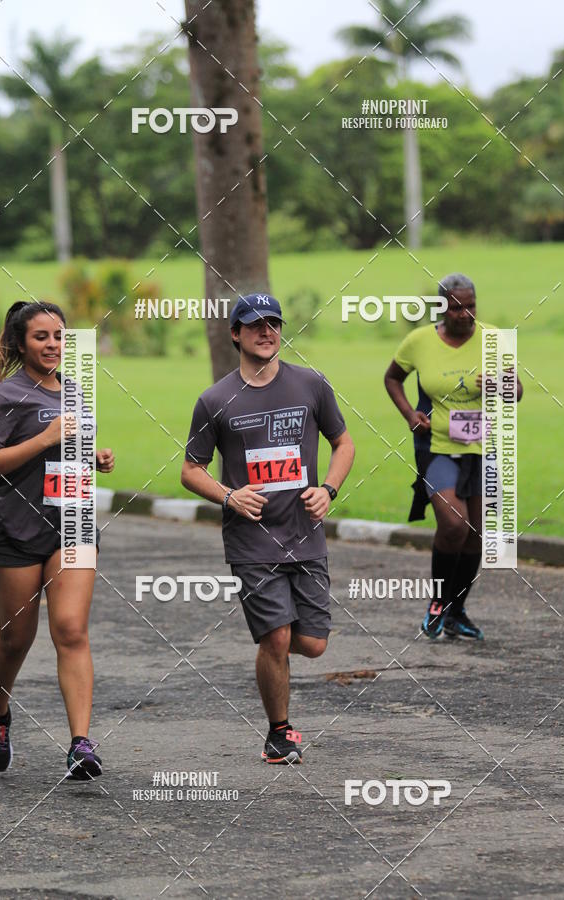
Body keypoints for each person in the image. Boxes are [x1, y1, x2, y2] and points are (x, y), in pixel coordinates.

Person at [181, 293, 354, 763]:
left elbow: (343, 443)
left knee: (313, 644)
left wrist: (329, 489)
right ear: (235, 334)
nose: (266, 331)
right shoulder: (215, 400)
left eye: (273, 323)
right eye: (255, 324)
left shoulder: (311, 384)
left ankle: (269, 646)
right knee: (276, 635)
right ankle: (279, 733)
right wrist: (229, 496)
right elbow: (191, 470)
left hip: (305, 535)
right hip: (252, 540)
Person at [0, 301, 115, 779]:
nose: (52, 344)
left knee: (71, 628)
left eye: (59, 336)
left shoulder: (76, 392)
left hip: (74, 523)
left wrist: (95, 458)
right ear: (21, 343)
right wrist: (44, 439)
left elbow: (71, 451)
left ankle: (81, 744)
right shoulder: (7, 395)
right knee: (16, 638)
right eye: (41, 336)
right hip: (16, 530)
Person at [384, 274, 523, 640]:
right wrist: (410, 414)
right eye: (457, 307)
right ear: (441, 308)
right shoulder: (419, 341)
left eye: (471, 306)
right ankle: (437, 604)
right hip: (437, 446)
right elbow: (392, 378)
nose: (465, 314)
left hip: (482, 448)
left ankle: (456, 611)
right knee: (453, 524)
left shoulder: (493, 338)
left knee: (477, 535)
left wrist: (498, 385)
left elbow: (517, 390)